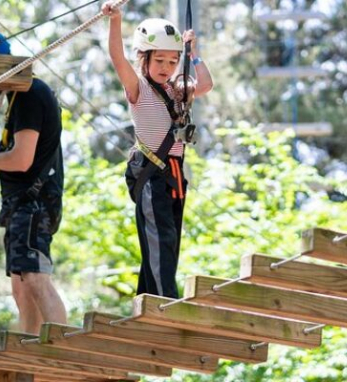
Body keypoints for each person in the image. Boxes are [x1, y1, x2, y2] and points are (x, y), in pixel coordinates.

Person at [102, 2, 213, 298]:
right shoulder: (138, 89)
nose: (166, 68)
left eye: (172, 62)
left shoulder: (178, 91)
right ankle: (166, 300)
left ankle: (147, 298)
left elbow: (206, 84)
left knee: (168, 242)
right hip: (151, 174)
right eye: (159, 60)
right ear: (145, 59)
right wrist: (116, 20)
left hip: (174, 176)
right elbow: (116, 56)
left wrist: (194, 55)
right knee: (160, 239)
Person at [0, 30, 67, 334]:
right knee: (22, 286)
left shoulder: (28, 93)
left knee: (35, 278)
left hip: (33, 202)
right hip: (23, 203)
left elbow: (22, 160)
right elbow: (21, 154)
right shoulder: (19, 96)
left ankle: (64, 352)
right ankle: (30, 353)